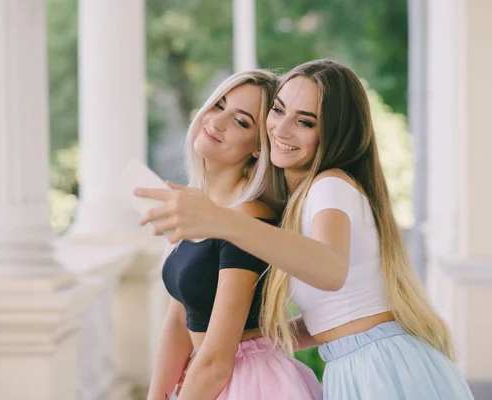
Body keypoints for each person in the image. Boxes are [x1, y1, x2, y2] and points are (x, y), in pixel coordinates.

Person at [136, 59, 474, 399]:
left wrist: (222, 220)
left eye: (305, 122)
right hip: (354, 364)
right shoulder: (301, 202)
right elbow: (329, 318)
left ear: (333, 134)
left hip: (378, 369)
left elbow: (330, 269)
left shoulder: (330, 186)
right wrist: (244, 339)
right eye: (279, 110)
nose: (282, 129)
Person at [144, 69, 321, 400]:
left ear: (259, 147)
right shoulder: (204, 206)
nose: (217, 121)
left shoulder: (249, 219)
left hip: (249, 384)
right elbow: (180, 315)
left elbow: (217, 363)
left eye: (241, 121)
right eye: (218, 105)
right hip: (210, 378)